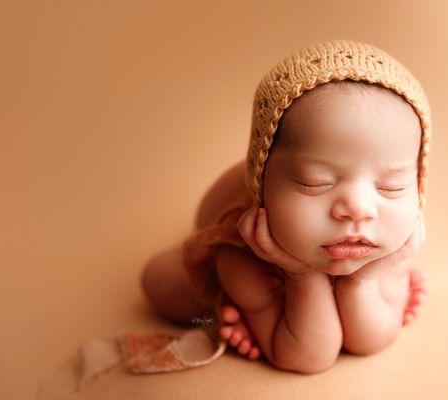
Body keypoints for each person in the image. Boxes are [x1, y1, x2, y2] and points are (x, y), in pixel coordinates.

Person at [141, 39, 431, 374]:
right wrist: (300, 273)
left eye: (391, 186)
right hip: (235, 234)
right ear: (262, 188)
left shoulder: (390, 243)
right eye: (315, 182)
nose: (358, 209)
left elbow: (369, 341)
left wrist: (365, 278)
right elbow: (307, 356)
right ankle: (216, 304)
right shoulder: (243, 255)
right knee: (163, 284)